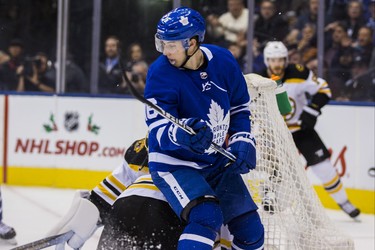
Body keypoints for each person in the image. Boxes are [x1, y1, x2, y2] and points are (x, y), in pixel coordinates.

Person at [144, 7, 264, 250]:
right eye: (162, 44)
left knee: (252, 232)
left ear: (192, 42)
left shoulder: (223, 61)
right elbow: (156, 128)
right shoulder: (159, 73)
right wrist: (181, 133)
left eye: (171, 45)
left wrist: (242, 139)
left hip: (216, 161)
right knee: (207, 217)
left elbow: (240, 106)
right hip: (175, 164)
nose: (165, 52)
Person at [260, 41, 360, 219]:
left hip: (301, 129)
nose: (277, 64)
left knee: (324, 167)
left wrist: (311, 110)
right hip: (274, 134)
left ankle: (344, 201)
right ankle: (272, 203)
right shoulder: (258, 79)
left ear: (286, 59)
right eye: (273, 60)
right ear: (267, 61)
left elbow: (324, 89)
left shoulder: (299, 72)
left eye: (281, 60)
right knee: (274, 172)